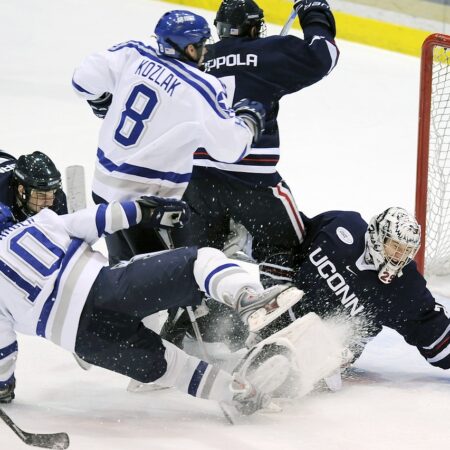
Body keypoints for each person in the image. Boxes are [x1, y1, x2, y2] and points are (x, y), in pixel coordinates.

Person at [0, 200, 303, 416]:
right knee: (200, 261)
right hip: (112, 290)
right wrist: (148, 210)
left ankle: (238, 393)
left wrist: (4, 388)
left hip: (86, 341)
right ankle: (246, 298)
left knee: (174, 369)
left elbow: (4, 350)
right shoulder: (34, 225)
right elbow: (102, 217)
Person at [72, 9, 266, 263]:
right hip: (148, 207)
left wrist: (101, 99)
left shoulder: (133, 52)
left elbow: (82, 79)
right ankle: (183, 302)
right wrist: (249, 121)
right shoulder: (201, 88)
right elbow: (230, 149)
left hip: (104, 191)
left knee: (124, 272)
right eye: (202, 44)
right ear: (189, 49)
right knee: (169, 280)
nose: (206, 50)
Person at [172, 0, 338, 286]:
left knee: (201, 256)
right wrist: (313, 10)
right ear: (253, 26)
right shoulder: (268, 52)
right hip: (252, 183)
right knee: (286, 244)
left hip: (196, 181)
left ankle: (194, 317)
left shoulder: (197, 58)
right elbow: (324, 55)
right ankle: (275, 316)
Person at [186, 207, 450, 373]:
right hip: (278, 312)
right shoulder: (341, 227)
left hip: (326, 349)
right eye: (395, 246)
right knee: (208, 321)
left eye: (407, 251)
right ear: (377, 235)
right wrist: (275, 285)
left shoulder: (406, 288)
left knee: (285, 365)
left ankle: (264, 382)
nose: (399, 257)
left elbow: (434, 332)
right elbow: (291, 239)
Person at [0, 149, 67, 221]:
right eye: (41, 195)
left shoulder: (58, 199)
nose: (50, 203)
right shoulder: (2, 199)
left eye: (53, 193)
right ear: (22, 190)